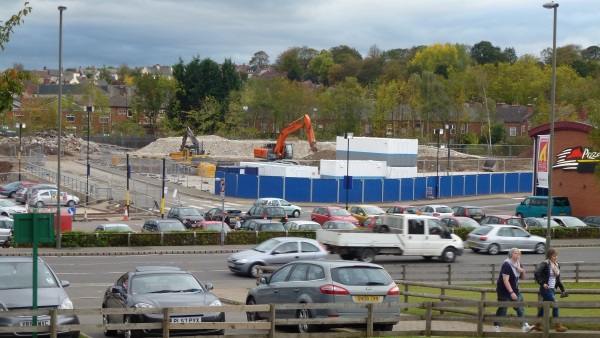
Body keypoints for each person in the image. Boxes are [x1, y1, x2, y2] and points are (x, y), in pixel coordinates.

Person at [493, 247, 532, 333]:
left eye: (518, 254)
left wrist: (523, 271)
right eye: (515, 253)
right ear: (511, 254)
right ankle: (496, 326)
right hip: (504, 290)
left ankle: (524, 325)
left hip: (515, 289)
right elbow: (505, 280)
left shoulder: (519, 264)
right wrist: (511, 292)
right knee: (503, 308)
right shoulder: (506, 265)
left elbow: (522, 278)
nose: (517, 255)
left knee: (520, 307)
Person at [532, 248, 568, 332]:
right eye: (554, 256)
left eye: (556, 256)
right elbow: (537, 273)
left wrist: (563, 289)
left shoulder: (556, 265)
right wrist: (542, 283)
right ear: (549, 256)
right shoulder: (545, 264)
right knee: (555, 304)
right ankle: (558, 326)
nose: (555, 257)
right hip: (545, 289)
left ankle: (537, 324)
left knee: (544, 308)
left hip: (552, 289)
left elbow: (558, 279)